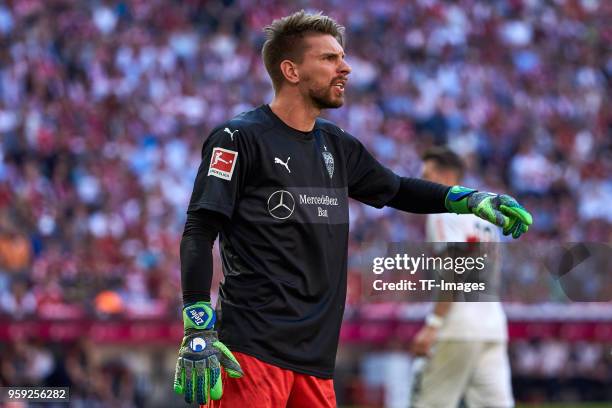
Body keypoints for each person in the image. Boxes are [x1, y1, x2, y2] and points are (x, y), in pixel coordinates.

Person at [172, 10, 532, 407]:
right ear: (291, 70)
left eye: (342, 57)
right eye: (329, 59)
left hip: (317, 359)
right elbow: (199, 230)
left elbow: (396, 189)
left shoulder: (337, 144)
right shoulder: (239, 138)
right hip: (251, 352)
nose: (345, 68)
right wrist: (198, 324)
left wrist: (468, 199)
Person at [410, 147, 513, 408]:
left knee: (430, 402)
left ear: (445, 176)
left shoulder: (444, 209)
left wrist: (434, 323)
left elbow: (454, 267)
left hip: (458, 324)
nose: (421, 182)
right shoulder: (485, 214)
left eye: (426, 175)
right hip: (492, 324)